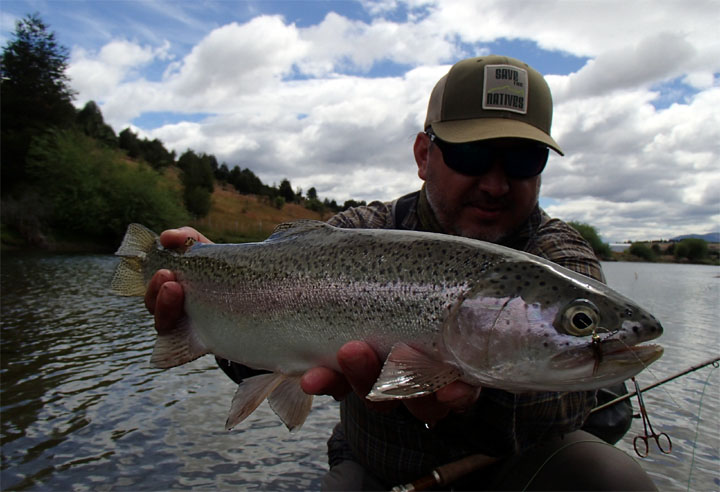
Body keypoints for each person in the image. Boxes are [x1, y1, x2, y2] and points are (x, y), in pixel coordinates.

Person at [145, 55, 656, 490]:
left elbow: (567, 410)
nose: (496, 183)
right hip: (377, 467)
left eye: (523, 159)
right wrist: (204, 298)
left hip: (516, 474)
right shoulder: (357, 233)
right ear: (423, 154)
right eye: (471, 153)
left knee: (613, 480)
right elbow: (271, 327)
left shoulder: (560, 259)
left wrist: (470, 401)